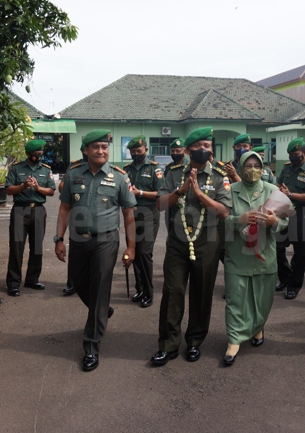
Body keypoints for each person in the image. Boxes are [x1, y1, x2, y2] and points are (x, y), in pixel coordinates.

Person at [54, 130, 136, 371]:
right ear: (86, 150)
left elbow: (129, 214)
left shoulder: (120, 177)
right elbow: (64, 209)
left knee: (100, 287)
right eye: (96, 147)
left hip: (106, 241)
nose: (101, 151)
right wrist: (59, 239)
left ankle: (91, 346)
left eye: (104, 147)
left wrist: (131, 247)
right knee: (79, 283)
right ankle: (102, 310)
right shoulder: (73, 174)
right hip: (78, 240)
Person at [151, 127, 232, 366]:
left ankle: (195, 341)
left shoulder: (219, 175)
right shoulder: (174, 173)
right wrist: (181, 191)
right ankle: (168, 344)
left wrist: (199, 193)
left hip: (207, 241)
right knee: (172, 291)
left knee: (202, 291)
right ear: (187, 150)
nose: (204, 149)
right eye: (199, 146)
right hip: (178, 241)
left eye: (208, 145)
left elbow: (224, 211)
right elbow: (160, 205)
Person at [222, 151, 287, 365]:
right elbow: (217, 219)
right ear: (240, 168)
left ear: (263, 168)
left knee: (262, 298)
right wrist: (237, 219)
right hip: (237, 254)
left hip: (263, 254)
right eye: (247, 165)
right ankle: (234, 339)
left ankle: (258, 327)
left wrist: (274, 222)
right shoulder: (230, 191)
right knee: (235, 298)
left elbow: (286, 220)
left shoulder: (272, 190)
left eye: (256, 165)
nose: (252, 169)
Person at [4, 139, 56, 296]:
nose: (38, 157)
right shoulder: (16, 169)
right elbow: (8, 190)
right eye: (36, 154)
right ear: (28, 154)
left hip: (39, 211)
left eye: (41, 154)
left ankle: (32, 279)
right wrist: (24, 186)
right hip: (20, 210)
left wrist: (38, 188)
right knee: (17, 247)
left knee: (37, 247)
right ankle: (13, 283)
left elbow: (51, 191)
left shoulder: (46, 170)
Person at [275, 137, 305, 300]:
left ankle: (294, 285)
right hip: (285, 211)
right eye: (290, 154)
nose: (292, 157)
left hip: (304, 213)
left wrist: (291, 194)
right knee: (277, 247)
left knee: (301, 253)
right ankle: (285, 278)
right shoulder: (287, 168)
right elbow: (279, 185)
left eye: (295, 154)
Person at [124, 135, 163, 307]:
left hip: (148, 213)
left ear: (146, 150)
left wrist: (139, 193)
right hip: (131, 214)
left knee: (144, 253)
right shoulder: (126, 170)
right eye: (132, 152)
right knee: (134, 252)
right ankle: (139, 289)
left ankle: (148, 292)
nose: (136, 154)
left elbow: (161, 194)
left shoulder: (155, 169)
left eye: (138, 151)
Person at [58, 141, 86, 296]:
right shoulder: (74, 168)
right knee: (76, 251)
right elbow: (62, 187)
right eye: (84, 150)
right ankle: (72, 283)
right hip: (77, 212)